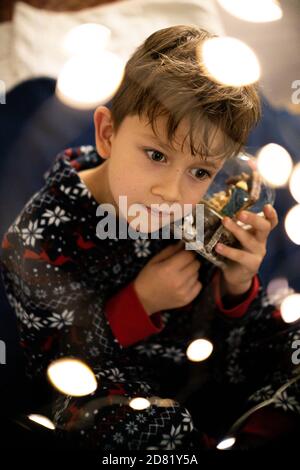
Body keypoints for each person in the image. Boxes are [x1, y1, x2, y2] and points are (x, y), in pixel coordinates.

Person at [1, 25, 299, 451]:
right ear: (106, 134)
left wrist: (236, 284)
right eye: (156, 156)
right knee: (131, 425)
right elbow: (49, 366)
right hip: (106, 383)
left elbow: (226, 327)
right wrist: (138, 303)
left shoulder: (204, 204)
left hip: (201, 364)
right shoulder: (41, 234)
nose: (172, 193)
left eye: (200, 171)